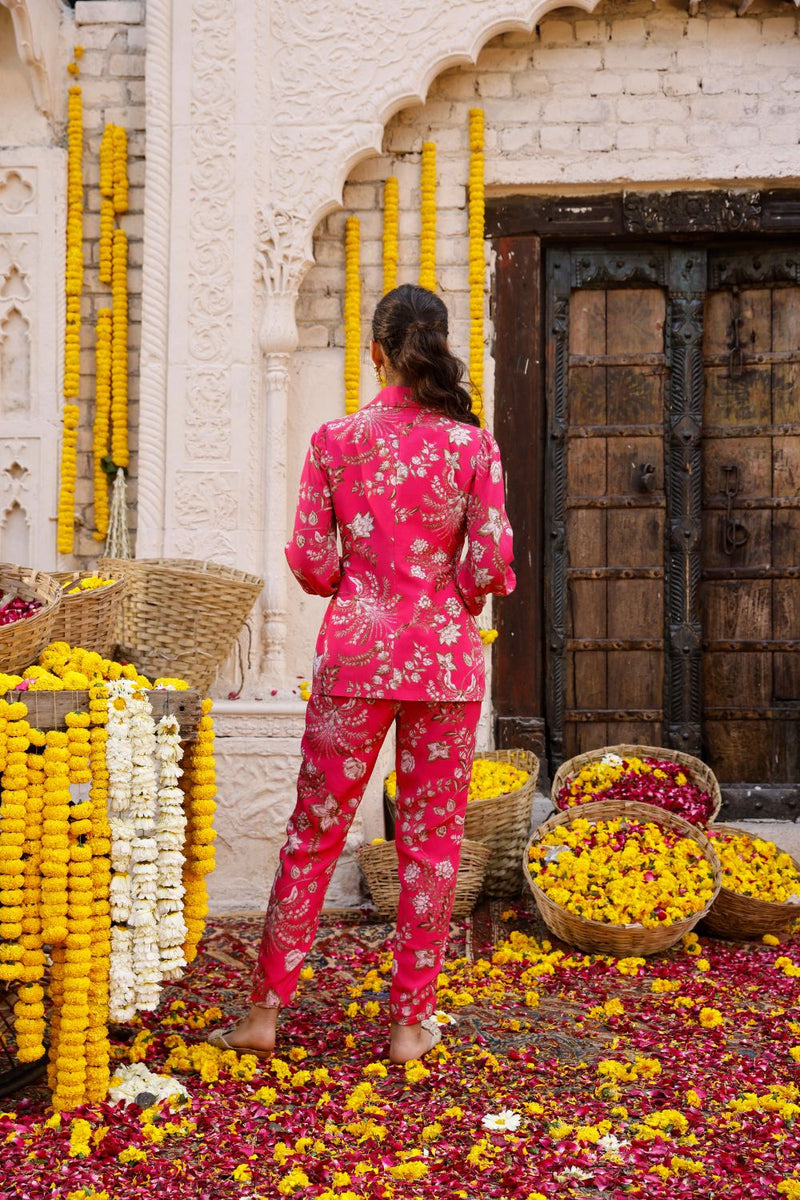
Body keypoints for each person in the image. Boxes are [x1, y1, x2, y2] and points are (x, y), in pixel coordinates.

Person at [209, 283, 515, 1064]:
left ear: (376, 354)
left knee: (313, 833)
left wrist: (363, 586)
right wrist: (451, 591)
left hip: (355, 657)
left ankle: (265, 1013)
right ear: (438, 349)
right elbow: (489, 564)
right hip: (444, 664)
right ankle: (410, 1025)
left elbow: (313, 564)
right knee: (432, 844)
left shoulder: (332, 441)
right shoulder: (471, 448)